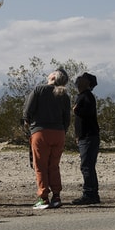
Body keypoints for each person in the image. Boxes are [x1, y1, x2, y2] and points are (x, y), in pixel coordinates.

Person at [23, 68, 71, 210]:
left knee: (40, 166)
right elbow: (67, 119)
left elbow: (27, 111)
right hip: (59, 133)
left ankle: (43, 198)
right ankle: (56, 196)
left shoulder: (39, 90)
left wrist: (28, 126)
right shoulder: (65, 95)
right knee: (54, 165)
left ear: (53, 77)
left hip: (40, 132)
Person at [71, 72, 101, 205]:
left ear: (88, 83)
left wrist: (76, 111)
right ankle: (92, 194)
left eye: (82, 78)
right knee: (88, 165)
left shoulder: (87, 96)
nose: (79, 80)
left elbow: (87, 114)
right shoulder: (82, 96)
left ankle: (89, 194)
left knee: (87, 166)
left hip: (89, 136)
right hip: (85, 136)